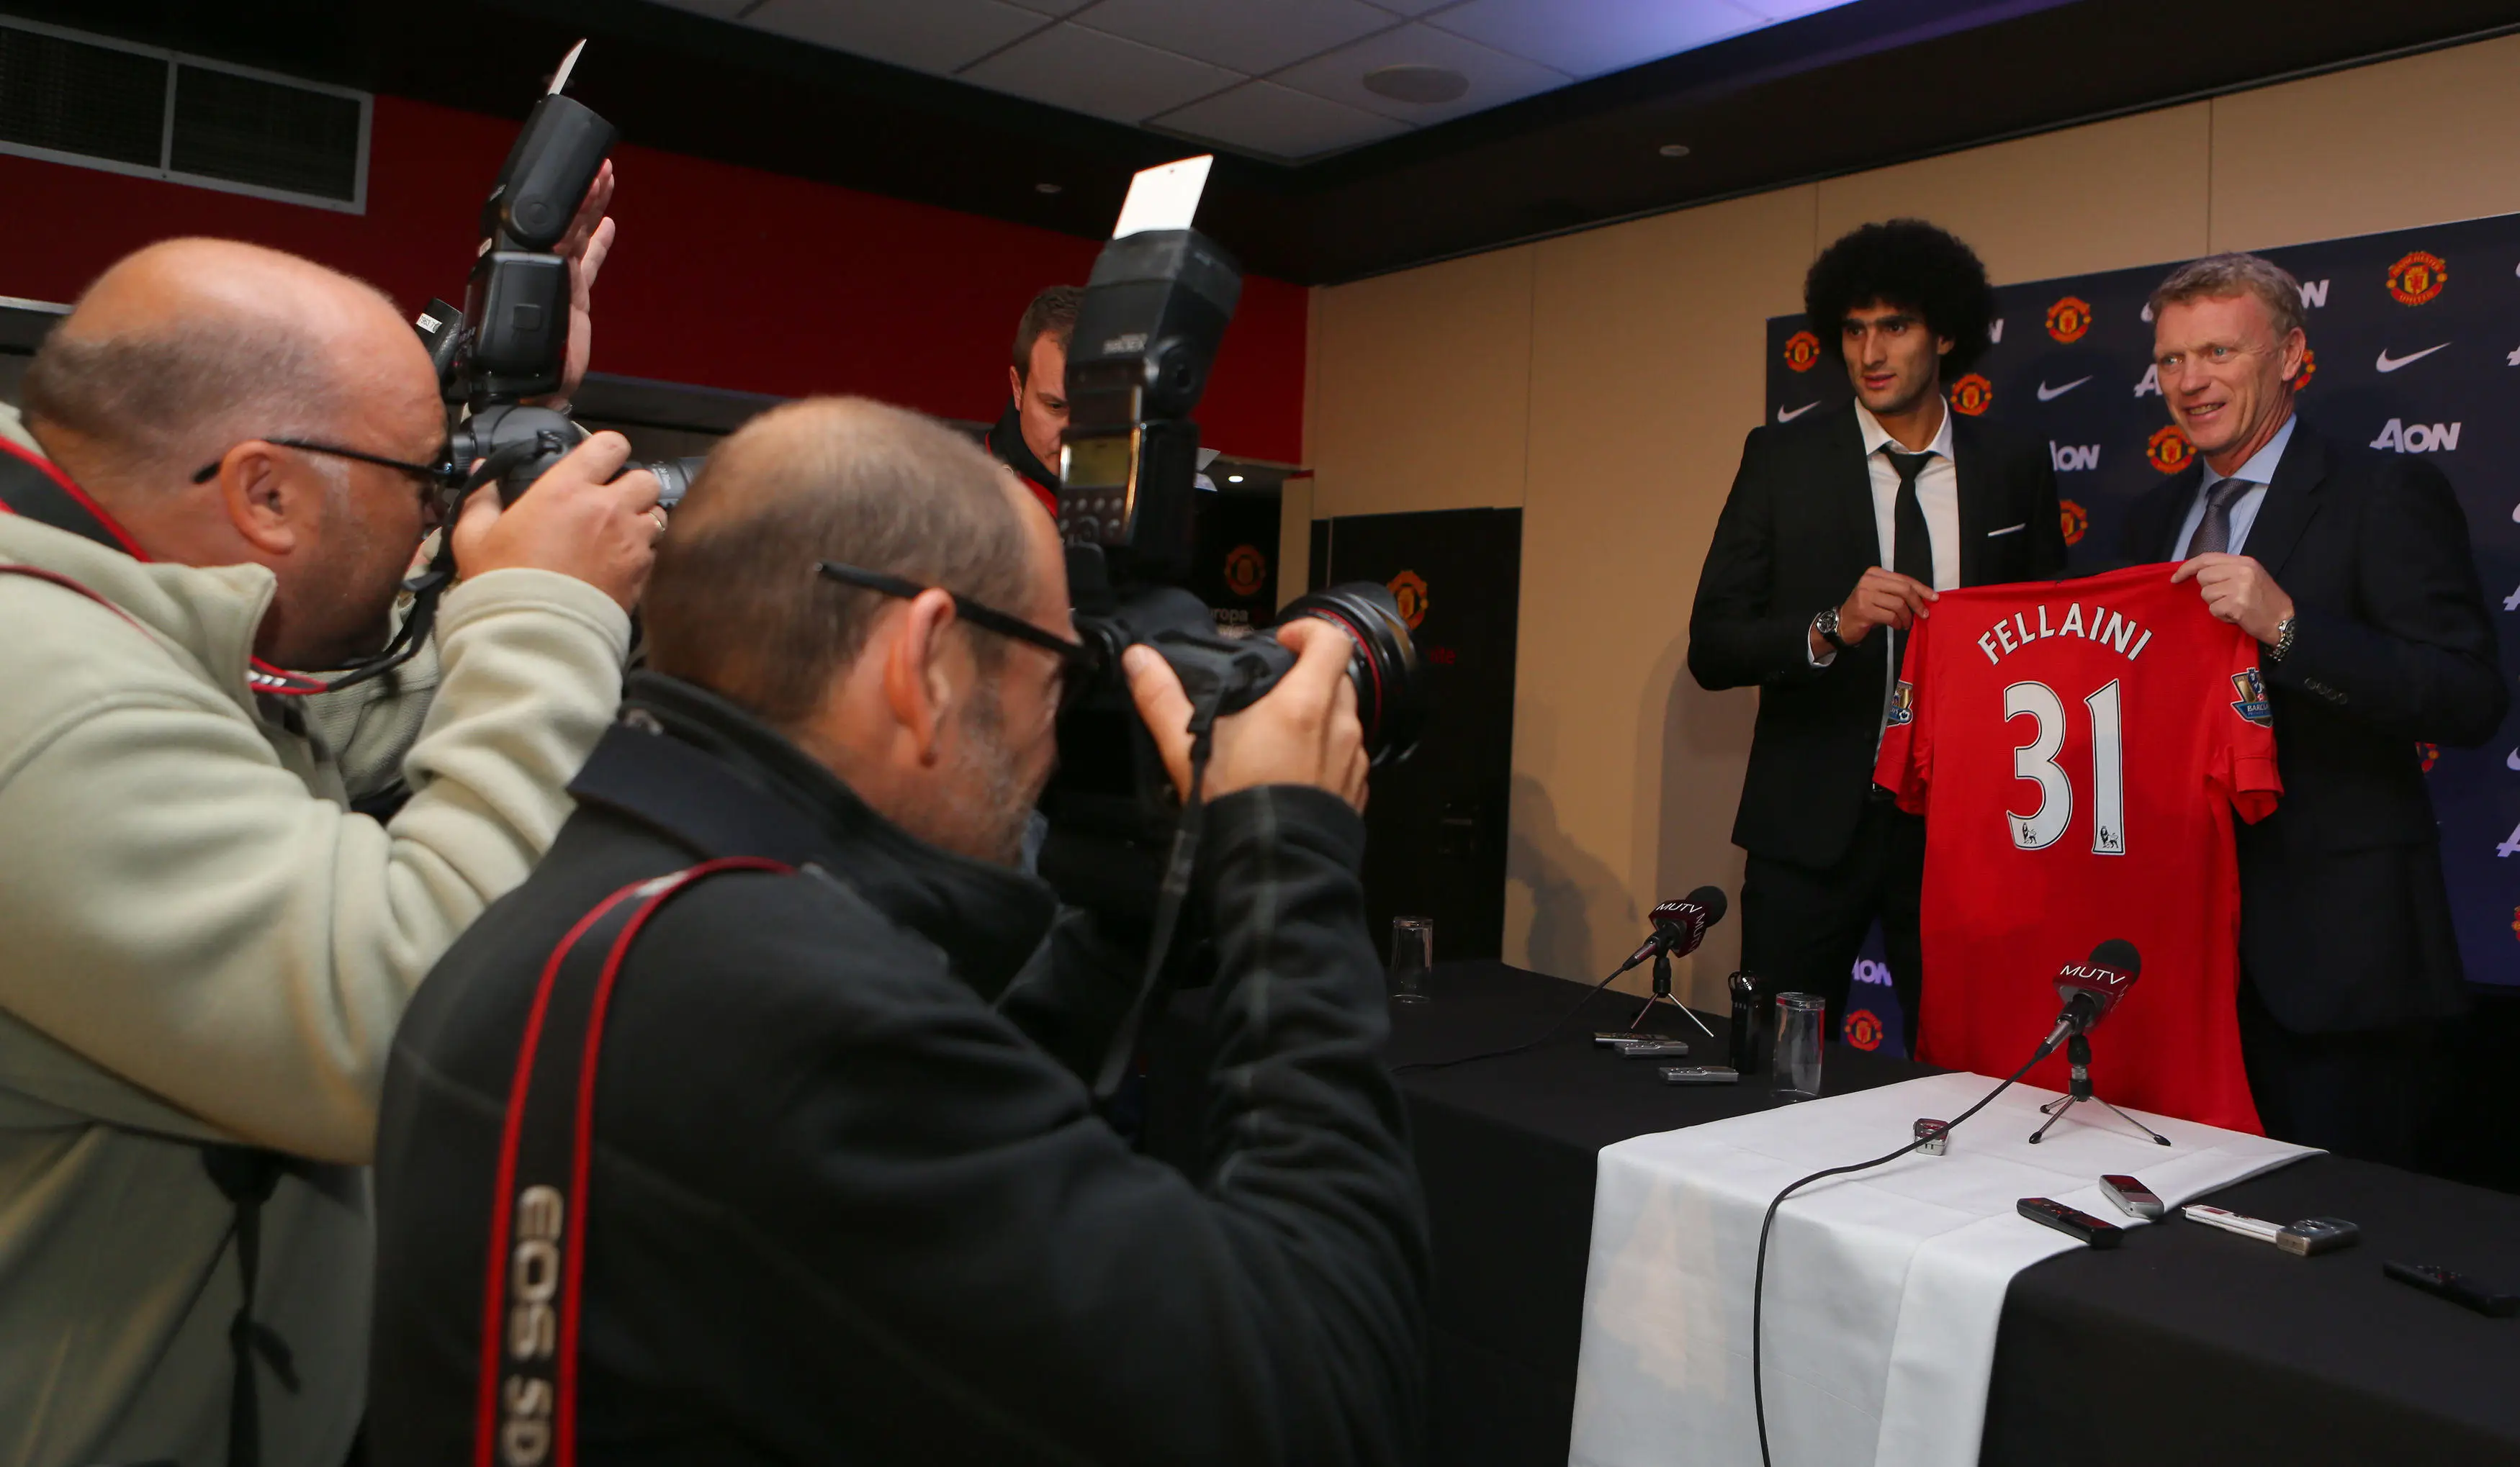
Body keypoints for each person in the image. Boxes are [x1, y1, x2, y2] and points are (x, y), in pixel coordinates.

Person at [366, 397, 1430, 1465]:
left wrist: (1119, 932)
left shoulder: (594, 899)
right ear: (922, 662)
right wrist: (1291, 858)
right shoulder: (786, 1016)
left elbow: (924, 1181)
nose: (1056, 739)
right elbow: (1316, 1395)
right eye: (1055, 673)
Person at [0, 236, 657, 1464]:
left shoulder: (89, 604)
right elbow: (408, 1021)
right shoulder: (41, 700)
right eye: (424, 475)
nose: (436, 512)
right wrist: (549, 615)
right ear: (266, 496)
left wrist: (524, 435)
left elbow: (311, 716)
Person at [2125, 252, 2503, 1164]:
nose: (2189, 381)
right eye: (2171, 360)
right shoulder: (2144, 524)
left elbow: (2466, 695)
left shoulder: (2380, 495)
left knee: (2330, 1258)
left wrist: (2286, 628)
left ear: (2291, 353)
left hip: (2339, 974)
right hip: (2181, 963)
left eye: (2217, 351)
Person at [1690, 220, 2066, 1044]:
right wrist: (1831, 626)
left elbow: (2053, 641)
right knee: (1775, 1078)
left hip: (1966, 828)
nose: (1870, 351)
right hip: (1809, 830)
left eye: (1893, 326)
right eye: (1853, 330)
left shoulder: (2011, 465)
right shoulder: (1781, 460)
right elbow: (1713, 644)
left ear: (1945, 333)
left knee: (1972, 1069)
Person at [987, 283, 1079, 515]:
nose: (1073, 431)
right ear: (1018, 389)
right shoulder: (966, 499)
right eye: (1055, 406)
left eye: (1092, 408)